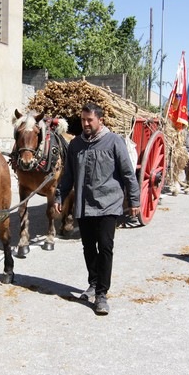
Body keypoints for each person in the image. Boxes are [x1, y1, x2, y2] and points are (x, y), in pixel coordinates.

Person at [54, 102, 140, 316]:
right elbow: (68, 175)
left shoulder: (114, 142)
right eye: (83, 120)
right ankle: (93, 283)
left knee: (105, 247)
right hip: (84, 204)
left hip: (108, 204)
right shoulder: (75, 145)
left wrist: (134, 200)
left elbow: (128, 173)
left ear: (100, 120)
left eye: (89, 120)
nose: (85, 124)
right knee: (88, 247)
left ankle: (102, 294)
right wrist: (60, 196)